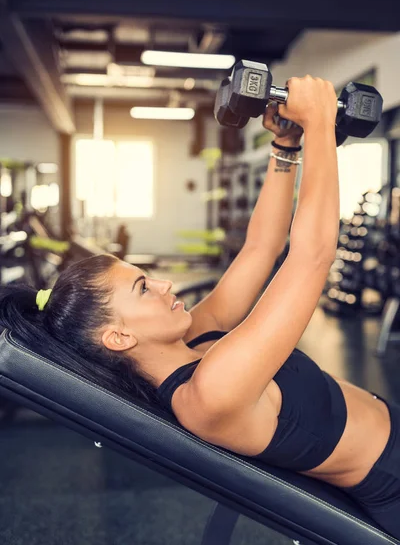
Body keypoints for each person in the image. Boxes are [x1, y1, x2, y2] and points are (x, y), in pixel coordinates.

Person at [0, 76, 398, 539]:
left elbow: (260, 249)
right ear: (119, 336)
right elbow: (311, 256)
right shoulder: (211, 391)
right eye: (144, 288)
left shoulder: (194, 343)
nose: (166, 284)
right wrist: (321, 126)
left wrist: (287, 147)